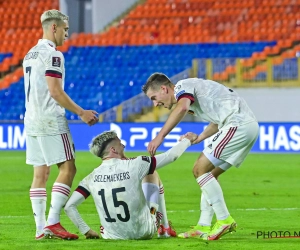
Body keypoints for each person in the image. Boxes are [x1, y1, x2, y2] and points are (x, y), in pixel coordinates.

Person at [142, 73, 259, 240]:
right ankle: (203, 225)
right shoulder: (196, 95)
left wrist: (160, 136)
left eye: (154, 98)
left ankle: (224, 219)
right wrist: (199, 138)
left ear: (163, 89)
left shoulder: (182, 86)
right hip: (246, 126)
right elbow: (216, 122)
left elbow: (181, 108)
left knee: (199, 169)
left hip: (238, 124)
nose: (155, 104)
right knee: (209, 175)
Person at [23, 10, 98, 240]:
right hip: (50, 118)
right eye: (65, 29)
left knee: (40, 173)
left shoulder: (29, 54)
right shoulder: (53, 55)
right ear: (53, 28)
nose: (68, 34)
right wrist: (81, 112)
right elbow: (55, 91)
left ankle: (40, 229)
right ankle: (53, 222)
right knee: (68, 168)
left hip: (31, 119)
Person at [64, 130, 196, 239]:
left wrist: (86, 230)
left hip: (111, 236)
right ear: (113, 149)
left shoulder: (90, 177)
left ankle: (163, 227)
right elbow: (171, 156)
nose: (124, 146)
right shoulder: (135, 164)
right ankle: (164, 226)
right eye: (121, 144)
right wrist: (187, 140)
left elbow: (69, 206)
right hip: (144, 231)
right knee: (152, 172)